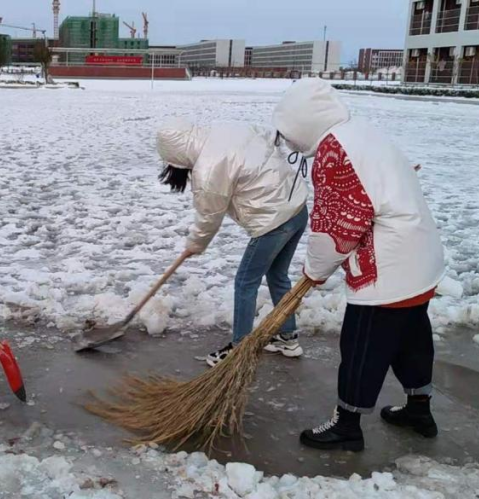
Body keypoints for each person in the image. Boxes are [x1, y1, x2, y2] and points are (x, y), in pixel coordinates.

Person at [272, 79, 445, 452]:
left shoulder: (335, 151)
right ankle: (419, 410)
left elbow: (338, 228)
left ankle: (347, 425)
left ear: (302, 122)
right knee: (411, 338)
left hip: (389, 269)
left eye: (288, 132)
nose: (288, 141)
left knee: (362, 346)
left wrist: (314, 271)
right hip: (420, 258)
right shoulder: (361, 132)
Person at [156, 120, 309, 367]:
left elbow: (209, 216)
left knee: (245, 282)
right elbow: (273, 136)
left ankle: (239, 349)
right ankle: (287, 337)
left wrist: (195, 244)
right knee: (278, 276)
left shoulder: (208, 167)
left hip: (273, 222)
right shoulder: (230, 129)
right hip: (298, 208)